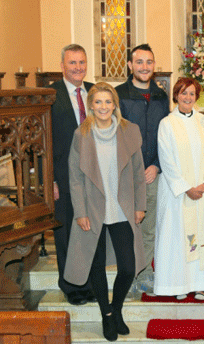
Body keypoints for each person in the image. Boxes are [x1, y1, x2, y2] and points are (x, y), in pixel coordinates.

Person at [64, 82, 147, 341]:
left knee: (128, 266)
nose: (103, 107)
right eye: (98, 102)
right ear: (91, 105)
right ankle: (106, 316)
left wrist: (140, 206)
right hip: (93, 209)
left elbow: (138, 172)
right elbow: (75, 178)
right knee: (96, 266)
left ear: (115, 104)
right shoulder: (81, 135)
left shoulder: (129, 131)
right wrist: (81, 212)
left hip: (122, 207)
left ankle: (117, 308)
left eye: (107, 102)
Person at [154, 77, 204, 300]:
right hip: (177, 195)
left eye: (192, 93)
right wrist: (185, 188)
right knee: (178, 237)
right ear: (175, 95)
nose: (188, 97)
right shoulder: (167, 124)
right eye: (183, 93)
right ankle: (178, 285)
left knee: (201, 235)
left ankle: (200, 284)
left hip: (201, 193)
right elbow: (166, 159)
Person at [115, 43, 169, 293]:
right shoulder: (118, 95)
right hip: (127, 174)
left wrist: (156, 166)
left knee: (149, 227)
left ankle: (144, 272)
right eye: (139, 62)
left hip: (152, 174)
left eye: (149, 62)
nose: (144, 67)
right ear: (130, 65)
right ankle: (128, 273)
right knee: (127, 228)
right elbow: (114, 137)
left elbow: (165, 136)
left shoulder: (160, 95)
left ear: (154, 66)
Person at [49, 44, 95, 305]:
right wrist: (51, 180)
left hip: (91, 176)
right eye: (72, 63)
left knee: (87, 231)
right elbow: (44, 142)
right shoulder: (50, 95)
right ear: (62, 66)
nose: (78, 67)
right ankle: (70, 286)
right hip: (63, 177)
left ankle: (87, 282)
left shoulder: (93, 92)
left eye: (81, 62)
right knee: (66, 232)